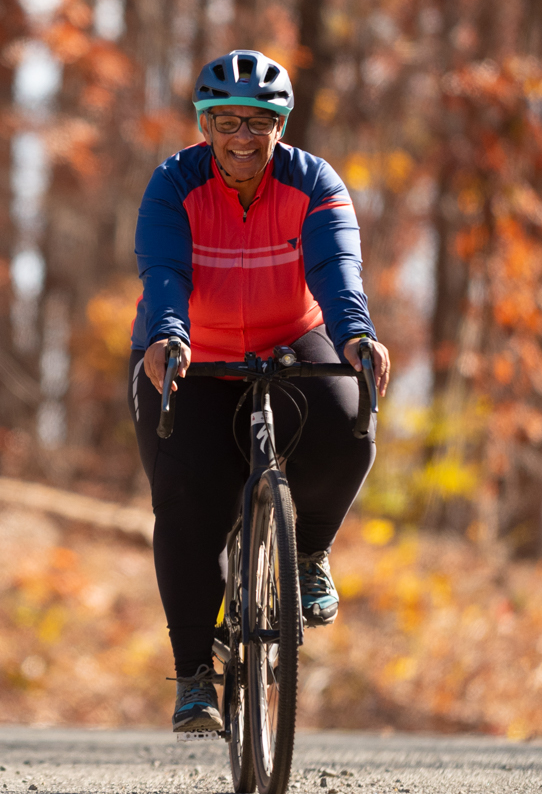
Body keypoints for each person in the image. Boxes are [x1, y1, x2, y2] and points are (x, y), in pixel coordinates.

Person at [128, 50, 394, 736]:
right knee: (188, 501)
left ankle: (305, 553)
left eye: (258, 121)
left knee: (350, 425)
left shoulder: (314, 182)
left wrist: (358, 337)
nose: (242, 136)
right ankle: (194, 677)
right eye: (226, 121)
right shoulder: (173, 184)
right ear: (205, 124)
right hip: (189, 349)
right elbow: (163, 272)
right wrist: (168, 334)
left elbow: (337, 269)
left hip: (291, 335)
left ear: (281, 126)